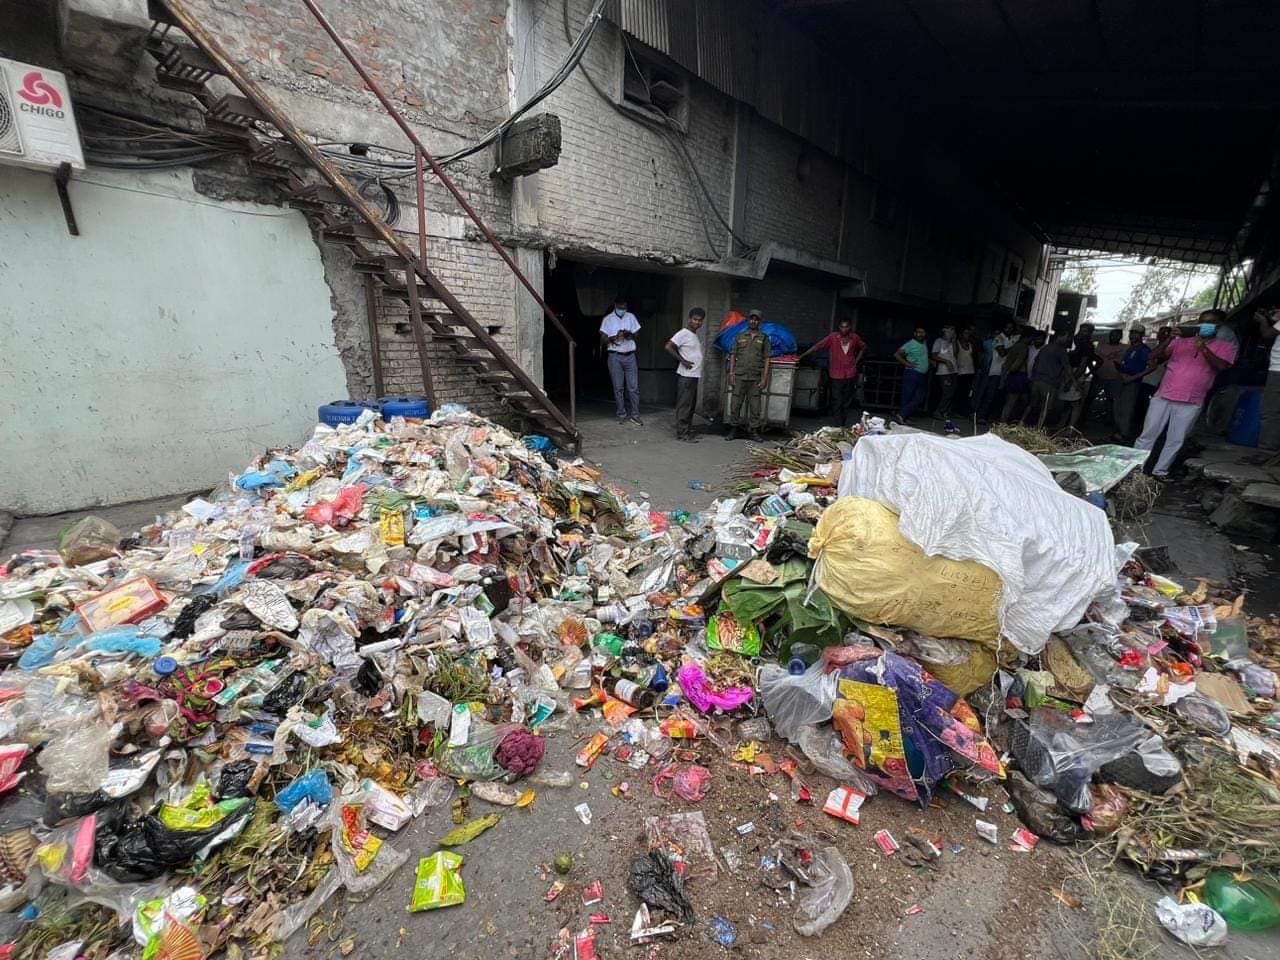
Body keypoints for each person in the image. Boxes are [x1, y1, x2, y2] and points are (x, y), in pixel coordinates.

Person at [1134, 312, 1237, 479]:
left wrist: (1203, 348)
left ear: (1219, 326)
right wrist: (1169, 339)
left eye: (1210, 323)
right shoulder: (1180, 342)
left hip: (1192, 400)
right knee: (1147, 435)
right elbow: (1152, 357)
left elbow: (1222, 366)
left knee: (1176, 439)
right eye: (1202, 322)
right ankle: (1134, 469)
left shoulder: (1226, 347)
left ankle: (1160, 472)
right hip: (1164, 395)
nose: (1205, 325)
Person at [798, 317, 866, 427]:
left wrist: (856, 361)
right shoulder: (833, 337)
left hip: (850, 373)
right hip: (836, 374)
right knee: (837, 399)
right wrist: (801, 356)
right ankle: (838, 424)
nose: (844, 329)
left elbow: (863, 347)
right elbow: (817, 346)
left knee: (847, 400)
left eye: (846, 327)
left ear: (850, 327)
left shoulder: (855, 338)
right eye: (842, 327)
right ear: (839, 328)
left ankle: (842, 422)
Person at [725, 309, 771, 441]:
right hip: (740, 376)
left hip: (755, 377)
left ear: (759, 322)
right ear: (748, 320)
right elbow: (733, 355)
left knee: (755, 407)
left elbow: (767, 358)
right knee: (735, 405)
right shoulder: (740, 336)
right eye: (751, 319)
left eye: (756, 319)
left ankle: (753, 431)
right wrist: (732, 373)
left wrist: (764, 377)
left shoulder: (764, 338)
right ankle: (733, 429)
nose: (753, 321)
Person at [664, 307, 704, 442]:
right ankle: (682, 434)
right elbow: (668, 346)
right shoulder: (684, 333)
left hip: (694, 375)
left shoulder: (693, 335)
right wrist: (682, 360)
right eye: (695, 319)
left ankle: (686, 430)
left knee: (690, 405)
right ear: (689, 319)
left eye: (700, 320)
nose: (697, 322)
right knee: (684, 406)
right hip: (686, 376)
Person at [600, 296, 642, 424]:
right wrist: (613, 338)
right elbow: (602, 339)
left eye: (625, 307)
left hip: (630, 355)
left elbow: (637, 333)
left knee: (633, 387)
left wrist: (630, 334)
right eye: (620, 307)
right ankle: (621, 413)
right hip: (615, 356)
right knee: (618, 387)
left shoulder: (631, 317)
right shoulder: (608, 319)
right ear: (616, 305)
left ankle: (635, 414)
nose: (623, 309)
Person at [1112, 325, 1151, 441]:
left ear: (1142, 335)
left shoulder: (1144, 350)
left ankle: (1124, 433)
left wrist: (1133, 377)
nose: (1133, 335)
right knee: (1117, 406)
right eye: (1132, 333)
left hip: (1132, 381)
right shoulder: (1130, 348)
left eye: (1136, 333)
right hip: (1122, 378)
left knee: (1127, 408)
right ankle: (1118, 431)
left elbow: (1150, 367)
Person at [1027, 331, 1071, 427]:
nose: (1067, 339)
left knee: (1032, 404)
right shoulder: (1061, 350)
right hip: (1049, 382)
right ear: (1059, 336)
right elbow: (1067, 368)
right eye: (1066, 337)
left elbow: (1036, 362)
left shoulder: (1045, 348)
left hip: (1037, 380)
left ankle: (1022, 422)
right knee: (1045, 407)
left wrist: (1032, 378)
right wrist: (1072, 382)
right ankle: (1038, 428)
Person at [1136, 325, 1174, 432]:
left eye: (1166, 333)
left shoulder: (1173, 348)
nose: (1162, 335)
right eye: (1161, 333)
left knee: (1159, 409)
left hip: (1161, 383)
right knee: (1142, 405)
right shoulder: (1151, 347)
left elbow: (1159, 361)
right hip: (1145, 379)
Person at [974, 321, 1014, 419]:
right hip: (992, 371)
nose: (1009, 330)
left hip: (1002, 372)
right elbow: (1002, 353)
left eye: (1011, 328)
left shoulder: (1011, 339)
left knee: (993, 396)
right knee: (986, 395)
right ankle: (978, 415)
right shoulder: (998, 338)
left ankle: (984, 415)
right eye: (1007, 327)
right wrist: (1014, 348)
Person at [1089, 329, 1127, 424]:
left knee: (1112, 400)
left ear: (1121, 336)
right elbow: (1093, 358)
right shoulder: (1101, 346)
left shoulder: (1125, 348)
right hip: (1099, 376)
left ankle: (1110, 420)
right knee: (1090, 397)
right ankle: (1083, 417)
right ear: (1109, 336)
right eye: (1113, 335)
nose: (1114, 337)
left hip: (1115, 378)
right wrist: (1093, 372)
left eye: (1117, 335)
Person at [894, 327, 930, 422]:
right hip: (912, 373)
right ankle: (902, 416)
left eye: (923, 332)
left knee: (919, 396)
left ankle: (903, 415)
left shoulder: (924, 343)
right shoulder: (910, 344)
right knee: (908, 396)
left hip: (921, 374)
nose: (920, 334)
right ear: (915, 333)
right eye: (918, 332)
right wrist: (907, 364)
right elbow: (897, 355)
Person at [1256, 307, 1280, 452]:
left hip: (1278, 371)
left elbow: (1267, 334)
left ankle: (1267, 451)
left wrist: (1263, 321)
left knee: (1271, 411)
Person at [998, 329, 1032, 422]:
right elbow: (1017, 363)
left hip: (1013, 374)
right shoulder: (1023, 347)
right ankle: (1004, 421)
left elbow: (1008, 362)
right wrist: (1012, 371)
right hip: (1018, 375)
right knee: (1012, 401)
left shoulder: (1016, 346)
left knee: (1011, 400)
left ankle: (1005, 420)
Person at [930, 325, 958, 417]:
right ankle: (938, 411)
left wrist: (953, 341)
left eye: (953, 332)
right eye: (950, 331)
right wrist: (946, 361)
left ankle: (944, 412)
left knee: (952, 392)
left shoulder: (953, 342)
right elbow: (933, 355)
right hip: (943, 371)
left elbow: (956, 353)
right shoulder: (939, 341)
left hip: (954, 370)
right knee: (947, 392)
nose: (951, 333)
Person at [954, 327, 978, 415]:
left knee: (967, 393)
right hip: (961, 371)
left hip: (970, 371)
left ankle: (963, 411)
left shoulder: (971, 345)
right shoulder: (957, 344)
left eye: (968, 333)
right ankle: (957, 411)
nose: (967, 335)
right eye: (965, 333)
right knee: (959, 392)